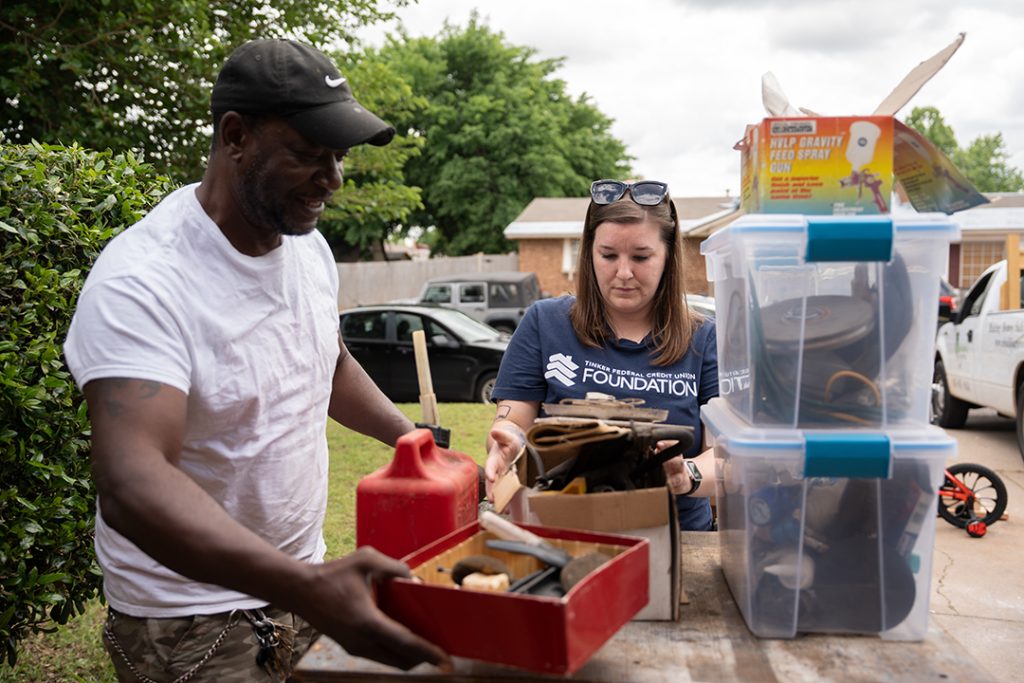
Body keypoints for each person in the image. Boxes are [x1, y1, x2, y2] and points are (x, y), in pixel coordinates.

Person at [63, 39, 449, 681]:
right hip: (190, 619)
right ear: (235, 136)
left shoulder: (307, 248)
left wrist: (410, 440)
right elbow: (132, 484)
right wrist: (303, 585)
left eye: (339, 156)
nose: (332, 178)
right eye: (307, 154)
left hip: (299, 580)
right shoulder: (143, 282)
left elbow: (324, 361)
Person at [484, 179, 718, 530]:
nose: (623, 272)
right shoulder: (544, 323)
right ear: (589, 251)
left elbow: (729, 456)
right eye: (608, 255)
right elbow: (513, 421)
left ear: (668, 256)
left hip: (676, 537)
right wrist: (508, 445)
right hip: (562, 530)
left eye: (641, 257)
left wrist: (688, 475)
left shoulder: (704, 338)